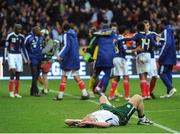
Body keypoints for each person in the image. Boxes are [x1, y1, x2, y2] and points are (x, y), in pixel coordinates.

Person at [119, 22, 158, 99]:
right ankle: (147, 94)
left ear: (137, 29)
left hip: (140, 55)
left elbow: (131, 39)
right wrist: (162, 42)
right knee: (146, 75)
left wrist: (121, 39)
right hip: (148, 55)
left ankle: (144, 95)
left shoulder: (138, 35)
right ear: (144, 28)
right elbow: (155, 45)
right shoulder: (149, 36)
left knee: (142, 75)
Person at [65, 95, 153, 128]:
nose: (86, 116)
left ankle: (112, 107)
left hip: (107, 110)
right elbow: (105, 125)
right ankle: (143, 120)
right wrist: (89, 122)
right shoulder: (97, 122)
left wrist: (77, 121)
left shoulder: (85, 121)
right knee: (138, 98)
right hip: (119, 116)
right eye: (87, 118)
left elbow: (66, 121)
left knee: (102, 97)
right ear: (91, 122)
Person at [54, 22, 89, 100]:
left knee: (64, 76)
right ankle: (85, 93)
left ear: (63, 28)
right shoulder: (74, 34)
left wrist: (60, 55)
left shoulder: (66, 34)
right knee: (76, 76)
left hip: (68, 58)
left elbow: (67, 46)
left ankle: (60, 96)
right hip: (75, 57)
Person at [3, 24, 29, 98]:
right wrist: (4, 58)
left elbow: (23, 48)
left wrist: (26, 59)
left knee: (18, 74)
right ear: (15, 29)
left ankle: (16, 92)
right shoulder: (10, 36)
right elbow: (6, 47)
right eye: (18, 29)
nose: (19, 31)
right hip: (11, 54)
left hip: (19, 55)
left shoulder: (22, 37)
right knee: (13, 71)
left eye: (20, 29)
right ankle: (11, 92)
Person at [108, 24, 130, 101]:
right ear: (125, 31)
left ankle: (111, 96)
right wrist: (133, 51)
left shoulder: (115, 38)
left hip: (115, 58)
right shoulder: (122, 38)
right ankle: (127, 96)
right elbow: (124, 50)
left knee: (116, 78)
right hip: (121, 58)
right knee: (126, 76)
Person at [158, 20, 177, 98]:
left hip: (166, 56)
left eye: (160, 24)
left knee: (161, 73)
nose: (159, 25)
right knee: (168, 73)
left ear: (162, 24)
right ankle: (169, 92)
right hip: (172, 55)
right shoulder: (170, 30)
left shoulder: (166, 30)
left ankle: (171, 88)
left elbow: (167, 43)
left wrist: (161, 55)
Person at [38, 29, 59, 94]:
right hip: (45, 60)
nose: (41, 36)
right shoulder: (47, 41)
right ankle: (45, 88)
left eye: (42, 34)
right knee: (39, 75)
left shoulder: (50, 41)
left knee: (44, 75)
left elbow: (45, 50)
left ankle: (46, 89)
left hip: (47, 60)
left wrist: (37, 51)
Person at [24, 26, 43, 97]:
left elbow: (41, 48)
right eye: (39, 30)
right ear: (35, 32)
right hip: (32, 59)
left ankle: (32, 92)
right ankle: (35, 92)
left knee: (37, 75)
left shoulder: (40, 37)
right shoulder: (28, 38)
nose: (40, 32)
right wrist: (27, 58)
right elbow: (24, 48)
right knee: (34, 75)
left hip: (39, 58)